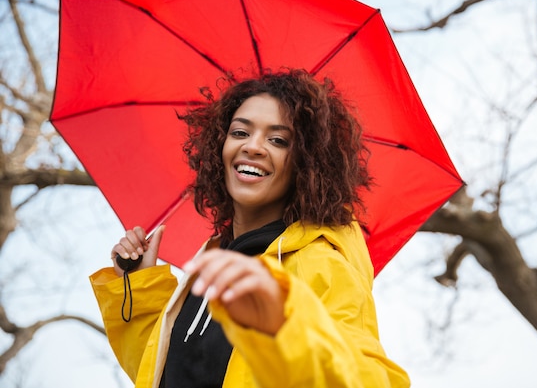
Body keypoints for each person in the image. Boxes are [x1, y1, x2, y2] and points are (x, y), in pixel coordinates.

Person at [90, 68, 411, 388]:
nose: (253, 147)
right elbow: (165, 373)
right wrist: (140, 286)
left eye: (278, 140)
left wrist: (286, 323)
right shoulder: (212, 265)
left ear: (307, 163)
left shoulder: (320, 264)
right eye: (240, 133)